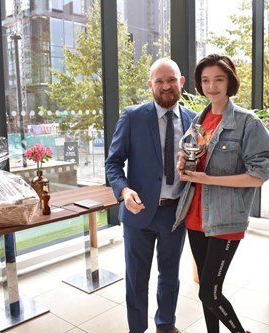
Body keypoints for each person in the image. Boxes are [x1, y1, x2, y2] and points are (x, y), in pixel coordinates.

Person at [173, 54, 269, 333]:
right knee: (206, 292)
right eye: (205, 80)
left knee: (210, 292)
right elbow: (194, 158)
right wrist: (184, 164)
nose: (211, 86)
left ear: (230, 81)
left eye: (218, 79)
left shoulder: (247, 122)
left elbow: (258, 175)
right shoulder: (198, 120)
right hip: (195, 215)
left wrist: (208, 178)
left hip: (225, 218)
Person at [105, 58, 196, 333]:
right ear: (150, 85)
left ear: (181, 82)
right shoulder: (132, 116)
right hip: (138, 212)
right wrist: (123, 189)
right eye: (159, 81)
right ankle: (137, 329)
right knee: (136, 279)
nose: (166, 86)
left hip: (175, 213)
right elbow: (113, 162)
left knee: (170, 275)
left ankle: (166, 325)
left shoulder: (194, 120)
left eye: (171, 80)